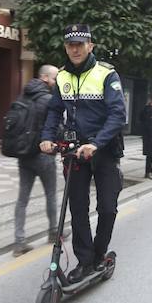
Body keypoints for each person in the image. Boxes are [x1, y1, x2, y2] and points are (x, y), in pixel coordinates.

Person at [40, 23, 126, 284]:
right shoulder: (63, 76)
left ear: (90, 46)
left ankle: (99, 254)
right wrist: (46, 137)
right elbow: (55, 110)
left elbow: (117, 114)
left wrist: (97, 143)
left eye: (79, 44)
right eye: (70, 45)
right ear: (66, 48)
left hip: (104, 151)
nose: (75, 49)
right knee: (77, 208)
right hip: (74, 152)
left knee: (107, 208)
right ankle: (85, 261)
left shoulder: (106, 74)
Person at [13, 65, 62, 256]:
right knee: (51, 194)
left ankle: (19, 242)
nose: (56, 82)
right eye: (54, 78)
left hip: (24, 155)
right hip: (44, 155)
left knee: (22, 199)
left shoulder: (22, 96)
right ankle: (53, 233)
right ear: (44, 78)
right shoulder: (49, 100)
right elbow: (56, 128)